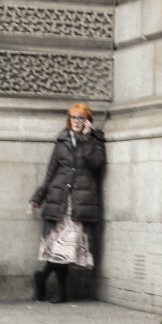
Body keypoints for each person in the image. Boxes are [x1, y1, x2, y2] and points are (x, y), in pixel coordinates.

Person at [28, 103, 105, 303]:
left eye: (81, 118)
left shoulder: (95, 139)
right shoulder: (62, 140)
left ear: (88, 120)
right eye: (74, 118)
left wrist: (87, 138)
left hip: (79, 204)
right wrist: (37, 198)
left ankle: (43, 277)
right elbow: (51, 171)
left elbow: (96, 163)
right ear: (69, 120)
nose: (77, 122)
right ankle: (60, 291)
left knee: (67, 250)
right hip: (59, 202)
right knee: (60, 251)